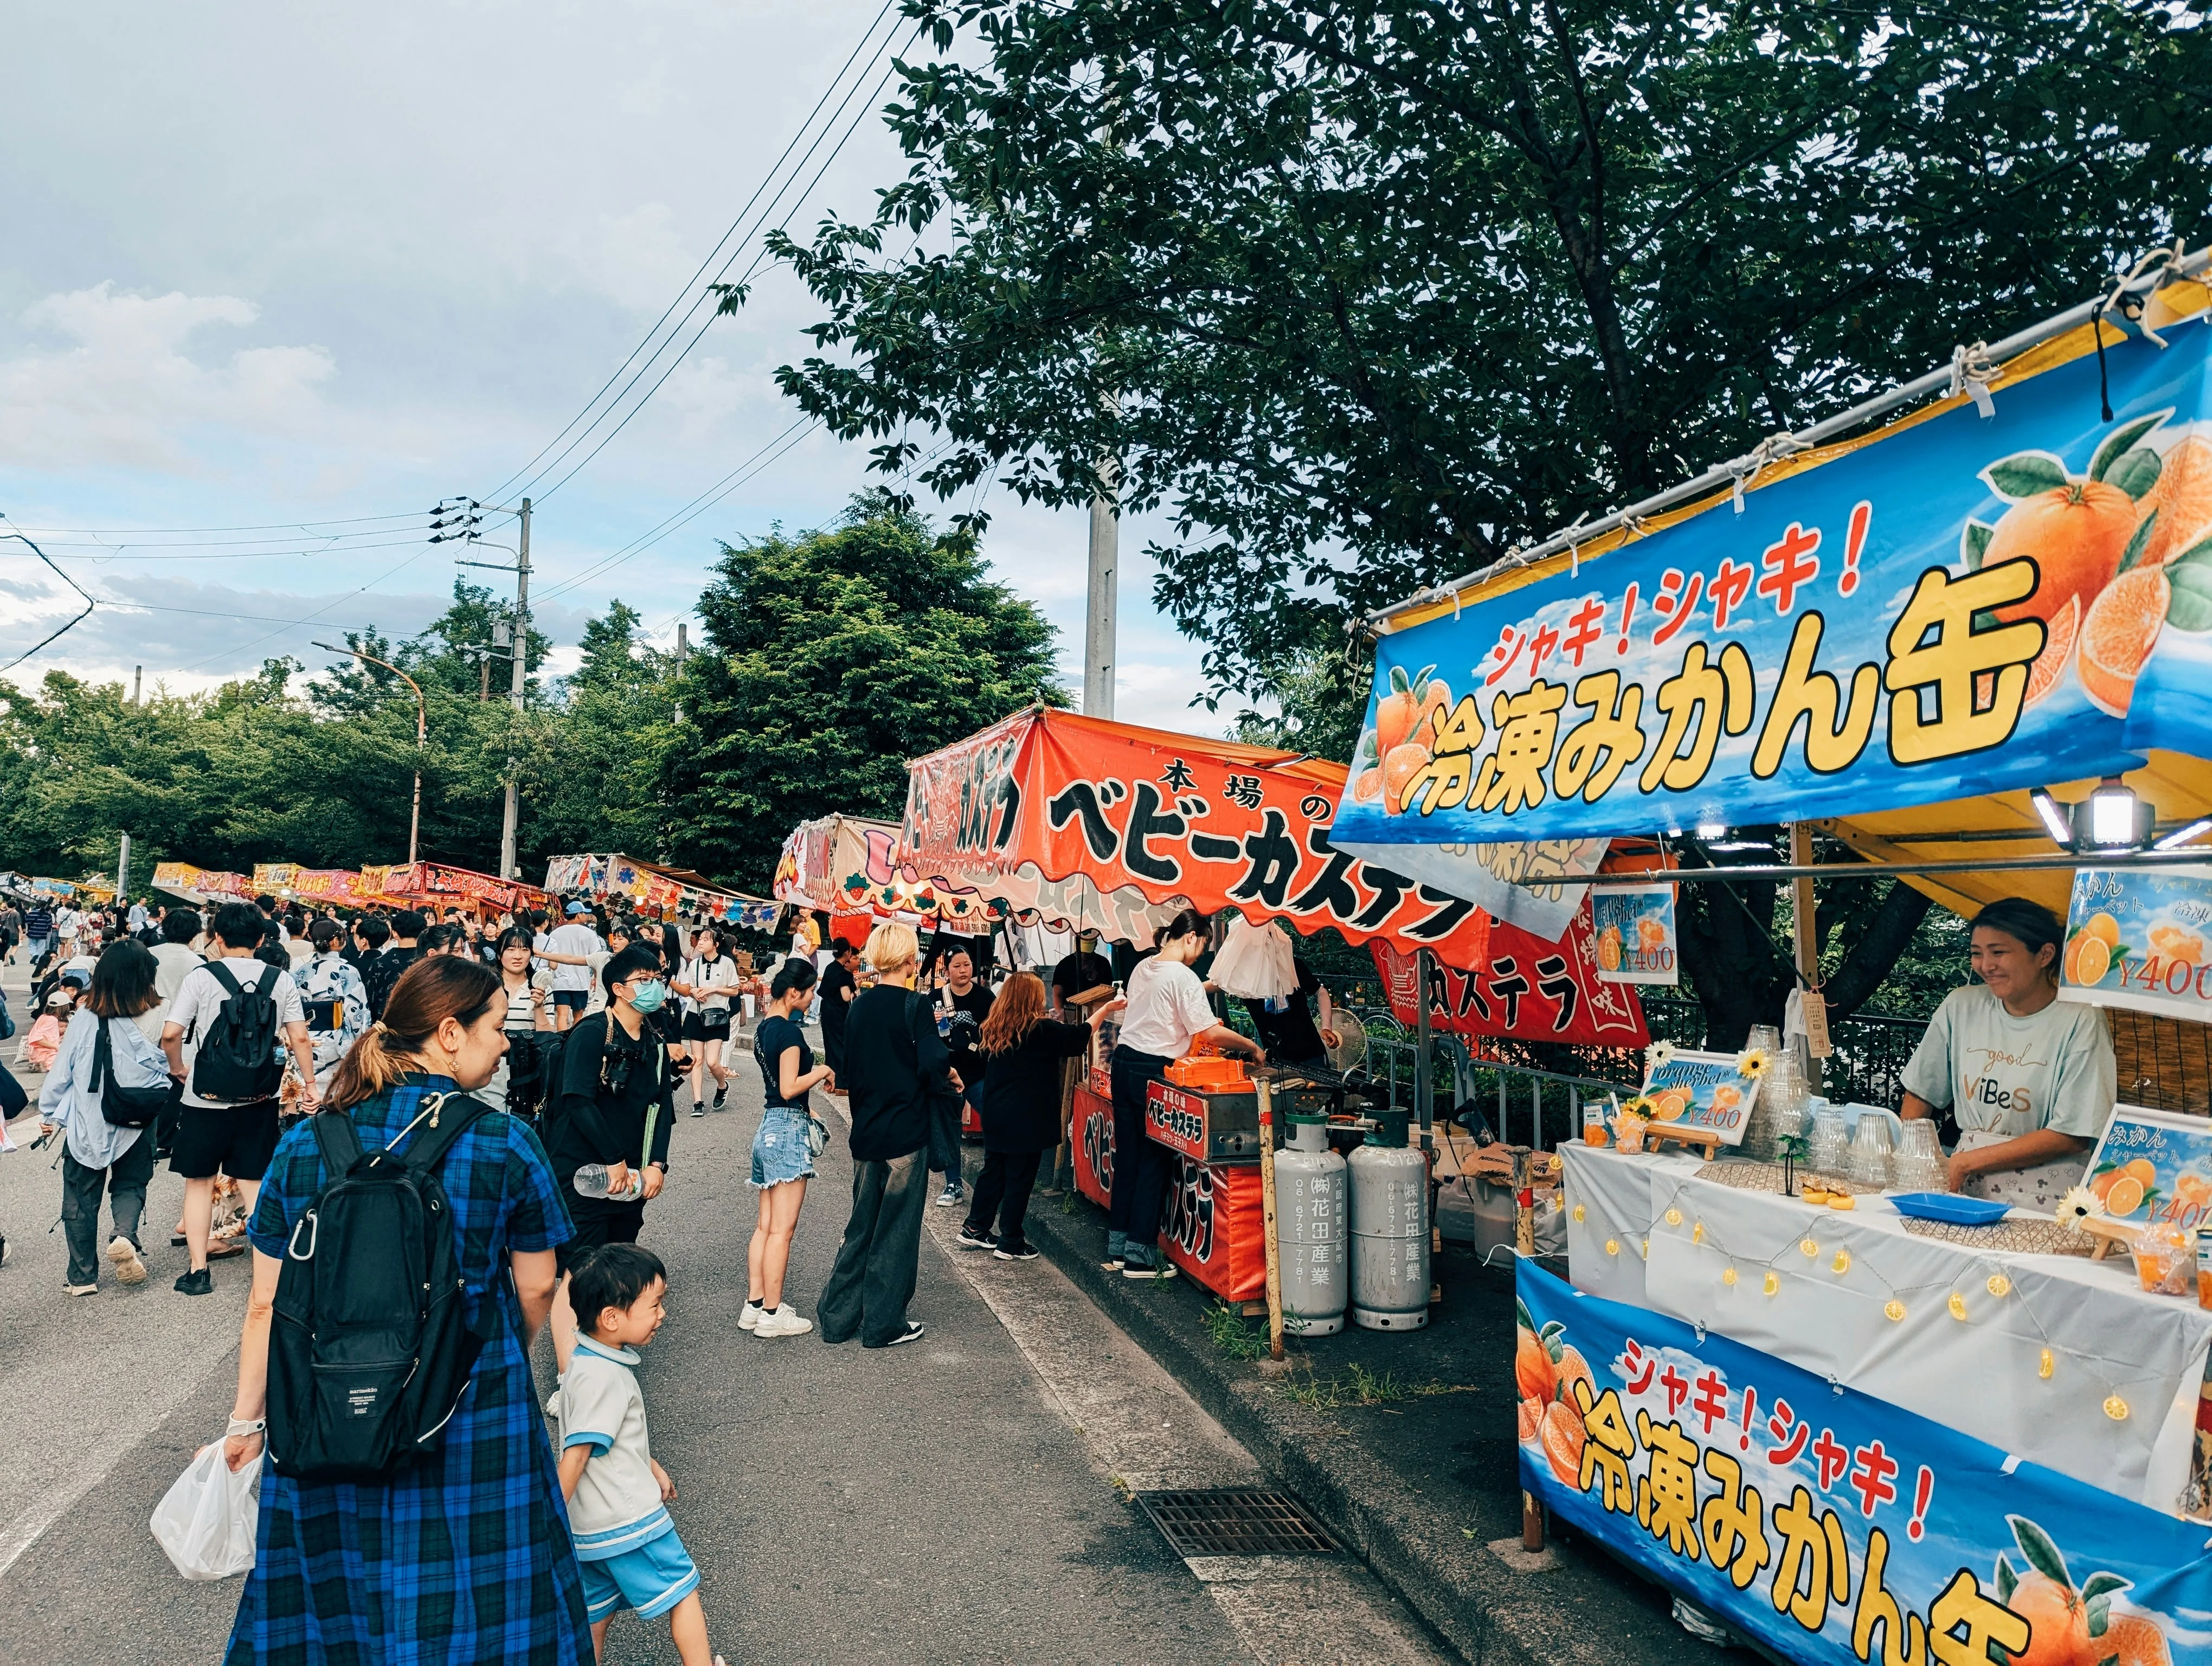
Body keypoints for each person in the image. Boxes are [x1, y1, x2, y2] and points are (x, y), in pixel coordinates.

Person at [218, 954, 592, 1664]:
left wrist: (246, 1421)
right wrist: (486, 1351)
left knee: (338, 1596)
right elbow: (539, 1286)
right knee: (479, 1599)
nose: (507, 1042)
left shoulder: (305, 1143)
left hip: (325, 1409)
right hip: (470, 1409)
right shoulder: (505, 1141)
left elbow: (266, 1302)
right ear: (449, 1033)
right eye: (494, 1026)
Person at [557, 1245, 729, 1666]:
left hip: (591, 1526)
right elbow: (578, 1454)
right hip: (628, 1521)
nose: (662, 1314)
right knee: (683, 1592)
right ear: (612, 1318)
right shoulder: (606, 1378)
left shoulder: (583, 1364)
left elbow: (605, 1436)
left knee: (593, 1617)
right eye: (654, 1305)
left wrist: (650, 1465)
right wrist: (549, 1516)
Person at [1900, 896, 2117, 1207]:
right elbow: (1921, 1092)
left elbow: (2073, 1133)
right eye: (1977, 954)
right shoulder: (1961, 1006)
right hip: (1961, 1185)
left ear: (2045, 955)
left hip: (2045, 1192)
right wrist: (1914, 1158)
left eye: (1999, 952)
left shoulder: (2080, 1018)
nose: (1986, 966)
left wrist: (1966, 1162)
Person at [1090, 909, 1266, 1278]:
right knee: (1154, 1159)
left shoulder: (1144, 966)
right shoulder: (1183, 977)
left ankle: (1119, 1244)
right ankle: (1139, 1256)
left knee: (1129, 1158)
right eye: (1202, 946)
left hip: (1124, 1064)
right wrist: (1252, 1046)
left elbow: (1164, 1008)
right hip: (1153, 1071)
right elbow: (1211, 1033)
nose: (1200, 955)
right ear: (1191, 938)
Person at [160, 901, 318, 1296]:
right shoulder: (280, 980)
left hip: (204, 1096)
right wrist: (311, 1085)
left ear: (217, 937)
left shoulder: (202, 977)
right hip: (258, 1095)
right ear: (262, 939)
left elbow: (171, 1034)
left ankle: (198, 1272)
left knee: (199, 1183)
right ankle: (269, 1273)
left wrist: (180, 1069)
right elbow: (299, 1037)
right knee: (254, 1181)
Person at [818, 923, 958, 1348]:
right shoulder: (915, 1006)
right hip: (905, 1133)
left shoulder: (859, 1005)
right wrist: (947, 1074)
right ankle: (884, 1324)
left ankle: (838, 1319)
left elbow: (851, 1066)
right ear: (910, 959)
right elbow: (933, 1061)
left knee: (862, 1226)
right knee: (896, 1229)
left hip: (867, 1131)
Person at [543, 944, 678, 1370]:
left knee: (616, 1261)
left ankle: (603, 1356)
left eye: (658, 977)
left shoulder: (655, 1044)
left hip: (629, 1179)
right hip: (582, 1171)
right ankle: (570, 1377)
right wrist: (615, 1158)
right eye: (644, 980)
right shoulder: (591, 1032)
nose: (654, 986)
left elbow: (663, 1109)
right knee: (578, 1269)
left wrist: (656, 1164)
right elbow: (577, 1100)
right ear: (618, 988)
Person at [36, 940, 170, 1293]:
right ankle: (124, 1234)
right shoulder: (160, 1013)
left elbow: (62, 1070)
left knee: (81, 1193)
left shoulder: (84, 1015)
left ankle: (82, 1277)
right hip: (139, 1116)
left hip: (89, 1119)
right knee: (130, 1183)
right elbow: (175, 1062)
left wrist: (49, 1112)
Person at [960, 971, 1093, 1260]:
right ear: (1031, 998)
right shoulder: (1040, 1029)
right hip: (1026, 1118)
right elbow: (1078, 1037)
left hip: (996, 1112)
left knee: (994, 1171)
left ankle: (975, 1227)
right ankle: (1010, 1241)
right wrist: (1105, 1009)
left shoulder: (994, 1027)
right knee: (1020, 1178)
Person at [745, 958, 832, 1338]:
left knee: (765, 1227)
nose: (812, 998)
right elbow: (788, 1087)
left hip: (768, 1128)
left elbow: (777, 1093)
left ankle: (754, 1305)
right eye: (810, 991)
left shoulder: (766, 1029)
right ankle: (772, 1312)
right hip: (788, 1133)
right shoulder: (792, 1035)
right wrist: (823, 1071)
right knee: (782, 1231)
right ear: (794, 992)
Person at [929, 946, 993, 1207]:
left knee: (993, 1118)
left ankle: (993, 1175)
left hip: (978, 1073)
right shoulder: (935, 998)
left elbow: (996, 1032)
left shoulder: (986, 997)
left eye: (967, 965)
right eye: (957, 966)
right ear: (947, 971)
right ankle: (953, 1184)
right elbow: (926, 1038)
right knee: (950, 1128)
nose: (963, 970)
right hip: (948, 1076)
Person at [484, 925, 553, 1118]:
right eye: (511, 949)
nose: (518, 956)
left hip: (527, 1069)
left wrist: (539, 1007)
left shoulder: (541, 988)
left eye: (524, 950)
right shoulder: (486, 987)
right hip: (492, 1065)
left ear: (531, 954)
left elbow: (548, 1037)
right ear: (499, 955)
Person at [675, 928, 743, 1116]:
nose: (701, 942)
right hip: (696, 1014)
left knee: (713, 1062)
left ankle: (722, 1086)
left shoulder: (727, 963)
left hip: (718, 1017)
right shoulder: (695, 963)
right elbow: (689, 988)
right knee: (697, 1060)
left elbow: (734, 991)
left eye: (706, 939)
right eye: (701, 939)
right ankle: (698, 1103)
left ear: (717, 944)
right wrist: (694, 992)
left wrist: (714, 990)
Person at [295, 918, 369, 1081]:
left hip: (306, 1036)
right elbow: (356, 1011)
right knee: (335, 1087)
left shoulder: (302, 970)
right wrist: (360, 1042)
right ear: (336, 941)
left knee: (309, 1084)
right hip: (336, 1038)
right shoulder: (346, 970)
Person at [1241, 952, 1341, 1070]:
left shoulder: (1291, 964)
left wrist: (1327, 1027)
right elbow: (1217, 984)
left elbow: (1320, 991)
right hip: (1274, 1058)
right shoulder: (1242, 974)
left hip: (1310, 1052)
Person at [543, 902, 606, 1034]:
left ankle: (561, 1042)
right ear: (579, 915)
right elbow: (596, 957)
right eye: (584, 913)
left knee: (562, 1015)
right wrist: (596, 977)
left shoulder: (555, 933)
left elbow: (551, 956)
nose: (585, 916)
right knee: (578, 1016)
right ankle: (573, 1041)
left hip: (560, 981)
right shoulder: (589, 933)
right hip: (581, 982)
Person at [817, 939, 860, 1085]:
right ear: (847, 953)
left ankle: (830, 1080)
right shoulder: (842, 973)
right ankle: (841, 1082)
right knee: (840, 1045)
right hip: (837, 1012)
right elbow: (846, 996)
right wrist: (855, 991)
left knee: (830, 1044)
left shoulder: (831, 967)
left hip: (827, 1010)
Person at [1050, 930, 1115, 1016]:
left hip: (1097, 1011)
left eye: (1088, 952)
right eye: (1081, 952)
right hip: (1071, 1011)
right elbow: (1058, 993)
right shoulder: (1064, 965)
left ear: (1095, 945)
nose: (1084, 954)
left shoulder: (1103, 963)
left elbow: (1109, 992)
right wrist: (1060, 1013)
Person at [21, 900, 55, 975]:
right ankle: (37, 960)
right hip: (43, 933)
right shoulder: (48, 915)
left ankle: (34, 955)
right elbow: (49, 925)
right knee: (41, 947)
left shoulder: (32, 913)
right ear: (46, 906)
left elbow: (26, 920)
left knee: (32, 945)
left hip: (33, 932)